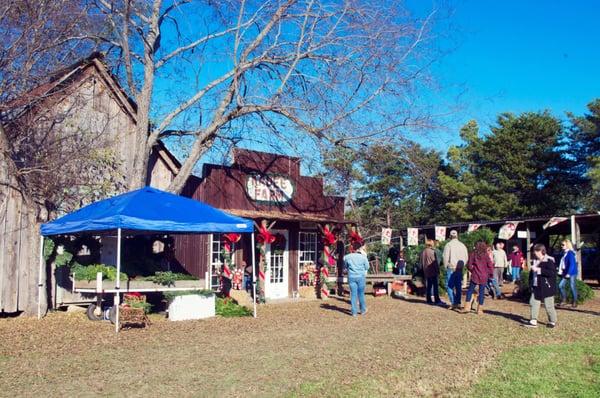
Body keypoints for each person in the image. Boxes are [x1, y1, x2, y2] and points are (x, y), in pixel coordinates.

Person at [524, 244, 558, 328]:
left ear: (541, 251)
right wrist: (530, 284)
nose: (535, 253)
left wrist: (539, 270)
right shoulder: (535, 261)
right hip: (536, 285)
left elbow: (552, 273)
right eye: (534, 251)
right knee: (533, 302)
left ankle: (552, 321)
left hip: (547, 287)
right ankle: (533, 320)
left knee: (548, 305)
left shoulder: (549, 260)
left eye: (536, 251)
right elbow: (531, 275)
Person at [463, 241, 494, 314]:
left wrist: (472, 270)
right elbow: (490, 265)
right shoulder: (486, 255)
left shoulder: (473, 254)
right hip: (484, 275)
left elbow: (469, 265)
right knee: (482, 292)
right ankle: (479, 309)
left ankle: (467, 307)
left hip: (475, 274)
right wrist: (490, 274)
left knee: (470, 290)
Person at [442, 230, 469, 309]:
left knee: (449, 286)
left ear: (450, 236)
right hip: (460, 268)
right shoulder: (462, 245)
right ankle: (458, 302)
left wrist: (445, 265)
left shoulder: (448, 245)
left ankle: (453, 302)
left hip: (451, 267)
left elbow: (445, 257)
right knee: (458, 286)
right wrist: (462, 265)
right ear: (457, 236)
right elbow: (466, 257)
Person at [344, 242, 370, 316]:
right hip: (361, 276)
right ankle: (362, 310)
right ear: (359, 248)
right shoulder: (363, 257)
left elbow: (345, 266)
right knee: (361, 294)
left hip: (351, 276)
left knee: (353, 294)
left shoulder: (347, 257)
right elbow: (367, 267)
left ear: (352, 248)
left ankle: (354, 312)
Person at [420, 239, 444, 306]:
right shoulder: (432, 252)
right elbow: (435, 262)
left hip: (426, 270)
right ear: (431, 244)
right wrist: (438, 270)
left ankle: (428, 299)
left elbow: (421, 262)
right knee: (435, 285)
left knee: (429, 286)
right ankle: (437, 300)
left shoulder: (423, 252)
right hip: (432, 270)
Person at [558, 239, 578, 308]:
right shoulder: (565, 253)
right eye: (561, 244)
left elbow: (572, 264)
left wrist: (569, 273)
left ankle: (575, 302)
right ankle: (564, 300)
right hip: (565, 272)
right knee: (560, 286)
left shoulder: (570, 253)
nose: (561, 246)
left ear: (567, 245)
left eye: (563, 245)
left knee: (572, 286)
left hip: (571, 272)